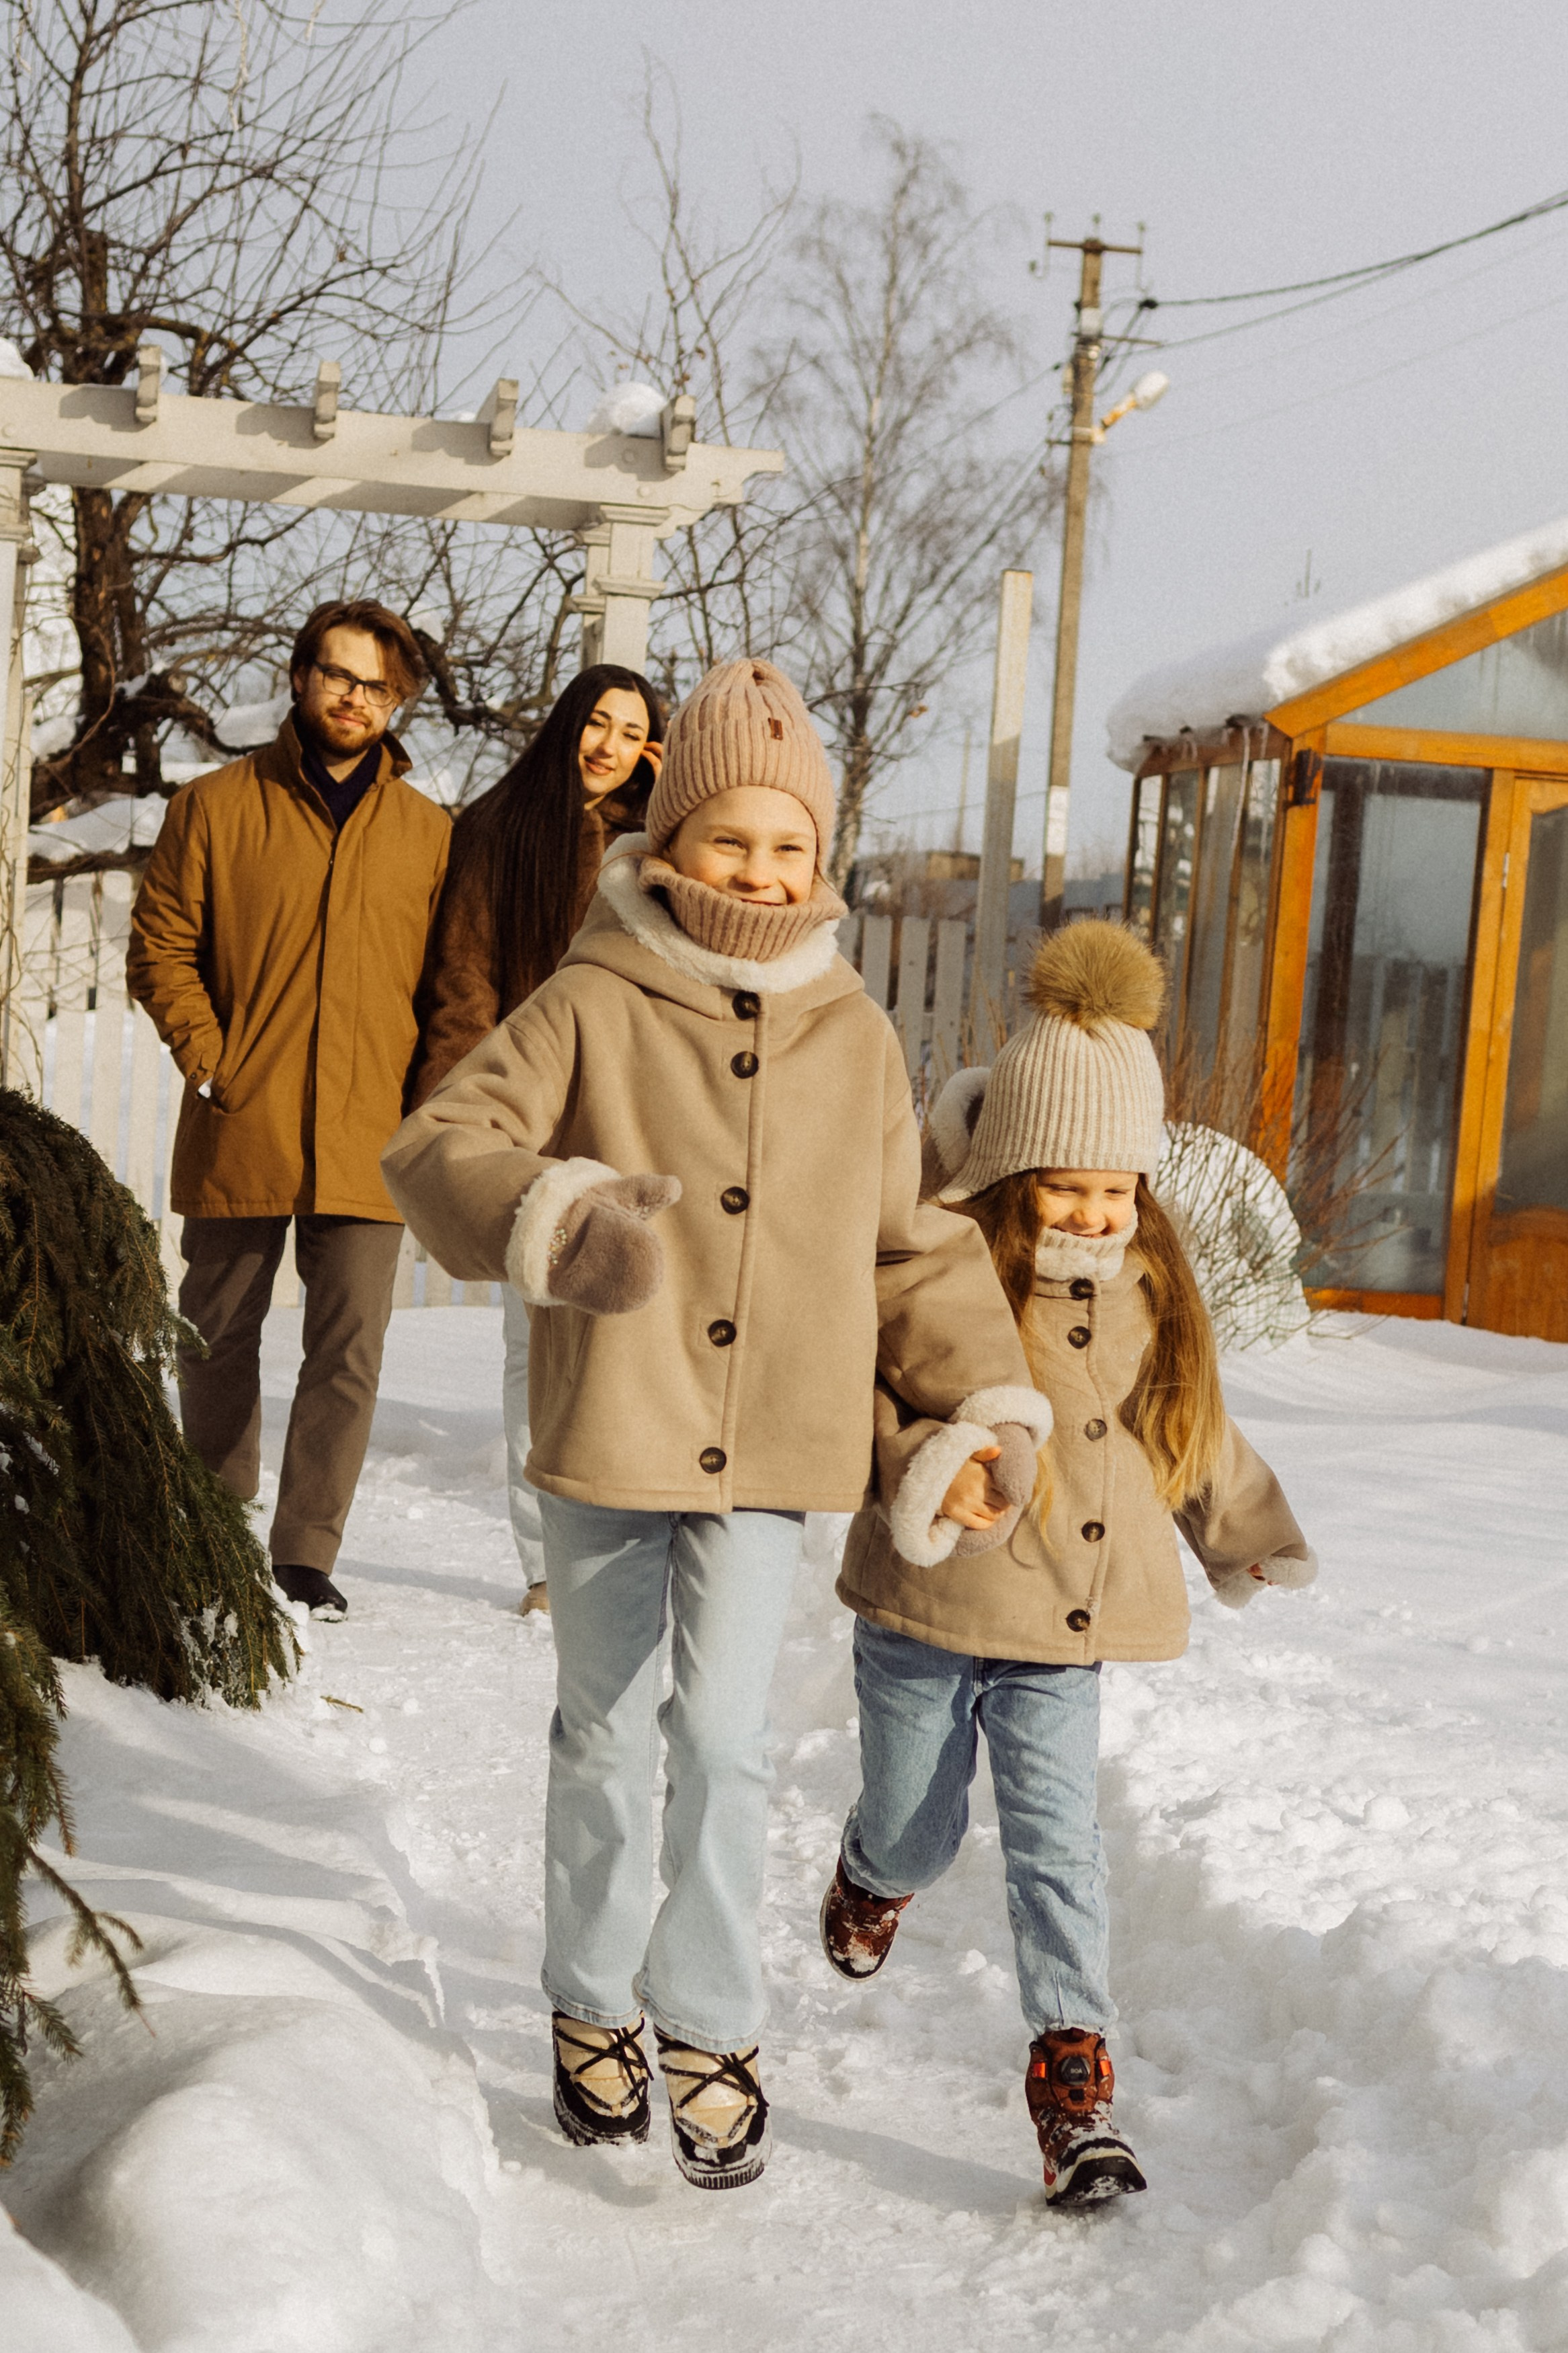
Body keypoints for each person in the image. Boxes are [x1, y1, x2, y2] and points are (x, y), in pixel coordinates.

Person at [382, 658, 1048, 2191]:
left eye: (787, 845)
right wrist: (554, 1213)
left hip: (772, 1449)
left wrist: (977, 1408)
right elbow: (442, 1142)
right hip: (617, 1421)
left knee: (729, 1740)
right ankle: (587, 1997)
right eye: (730, 839)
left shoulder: (855, 1037)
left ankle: (706, 2019)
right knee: (607, 1728)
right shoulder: (592, 997)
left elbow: (910, 1248)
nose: (759, 870)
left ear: (822, 858)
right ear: (670, 841)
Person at [823, 920, 1317, 2209]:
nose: (1096, 1215)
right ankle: (874, 1872)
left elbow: (1185, 1428)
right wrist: (922, 1464)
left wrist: (1247, 1532)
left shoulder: (1147, 1288)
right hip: (929, 1605)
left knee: (1058, 1844)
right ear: (1010, 1174)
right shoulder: (945, 1268)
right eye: (1066, 1188)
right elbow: (864, 1405)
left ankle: (1072, 2083)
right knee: (919, 1827)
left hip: (1065, 1626)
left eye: (1117, 1189)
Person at [127, 598, 450, 1624]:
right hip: (245, 1114)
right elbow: (161, 948)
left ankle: (305, 1556)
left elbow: (448, 986)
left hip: (371, 1129)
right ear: (302, 675)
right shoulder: (215, 806)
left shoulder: (429, 834)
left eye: (379, 686)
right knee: (217, 1332)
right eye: (341, 675)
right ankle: (217, 1531)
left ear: (397, 703)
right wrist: (212, 1062)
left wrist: (424, 1104)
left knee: (347, 1351)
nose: (357, 698)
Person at [411, 666, 665, 1612]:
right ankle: (551, 1564)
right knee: (535, 1347)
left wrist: (672, 800)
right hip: (540, 1123)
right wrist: (463, 1121)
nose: (609, 746)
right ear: (566, 724)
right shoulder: (497, 829)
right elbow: (463, 986)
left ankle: (635, 1545)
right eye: (597, 722)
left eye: (632, 733)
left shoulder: (660, 844)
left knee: (640, 1340)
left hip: (643, 1120)